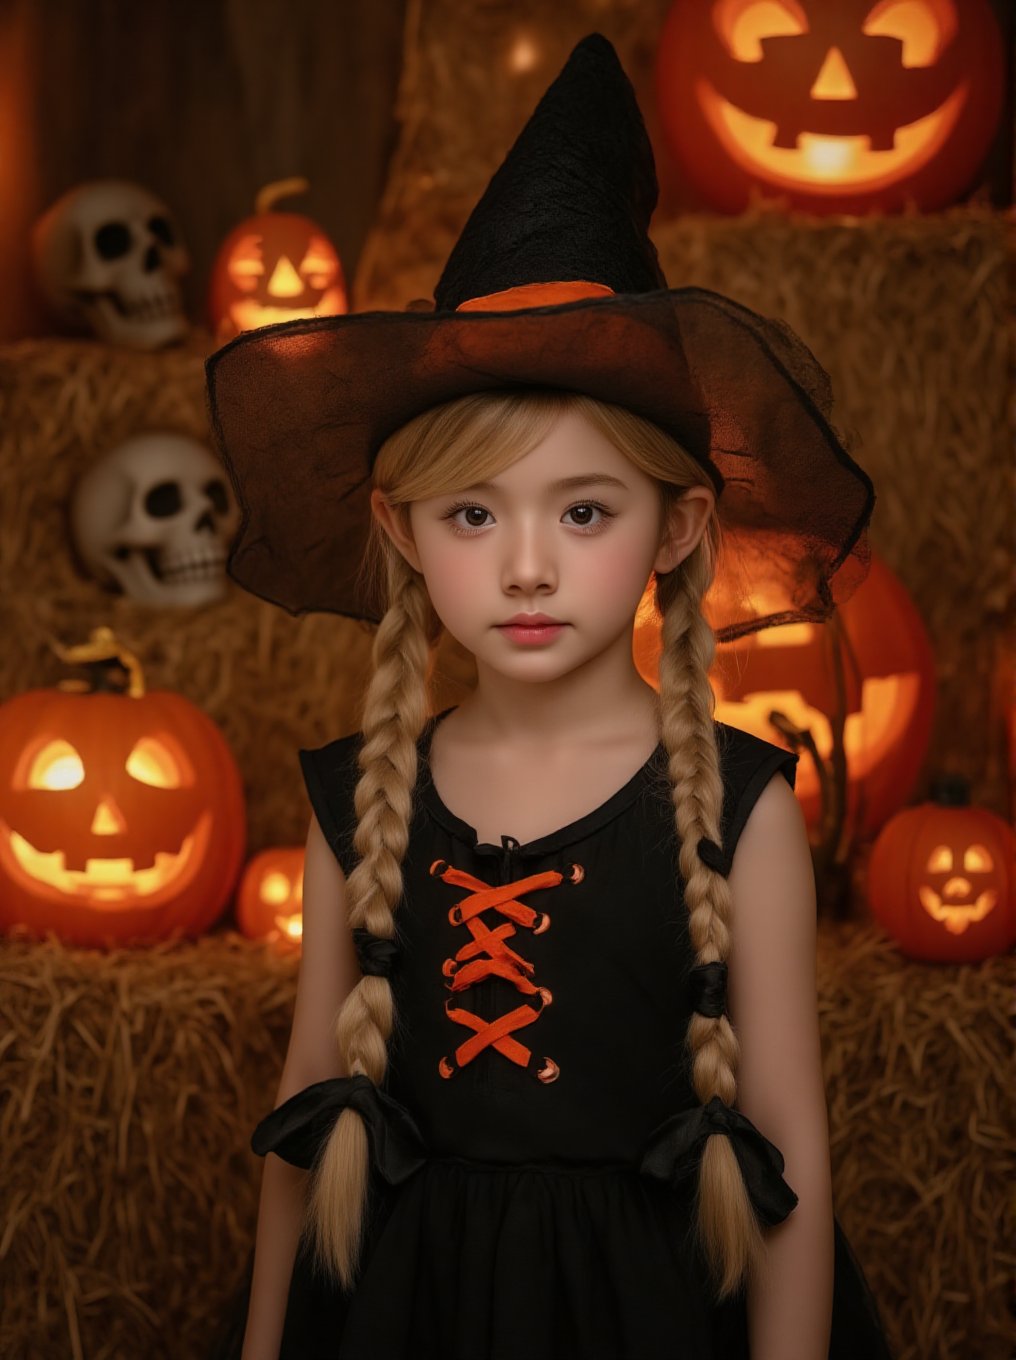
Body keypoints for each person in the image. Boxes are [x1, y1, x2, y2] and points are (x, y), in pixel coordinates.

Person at [206, 32, 893, 1360]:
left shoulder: (740, 811)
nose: (526, 566)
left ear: (677, 528)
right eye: (475, 512)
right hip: (410, 1311)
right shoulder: (360, 804)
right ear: (403, 533)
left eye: (584, 510)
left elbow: (791, 1150)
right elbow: (307, 1114)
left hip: (653, 1313)